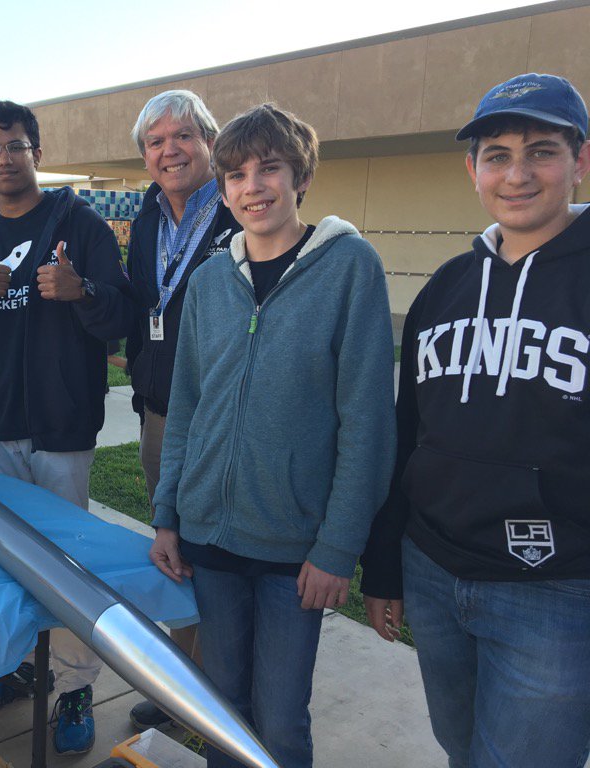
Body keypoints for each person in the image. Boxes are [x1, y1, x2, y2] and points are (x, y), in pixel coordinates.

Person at [150, 104, 395, 768]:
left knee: (282, 723)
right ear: (222, 188)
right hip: (209, 539)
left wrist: (340, 547)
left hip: (295, 550)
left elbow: (368, 422)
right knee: (222, 710)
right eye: (234, 174)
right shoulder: (207, 283)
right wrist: (168, 515)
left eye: (269, 169)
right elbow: (187, 405)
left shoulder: (350, 269)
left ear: (301, 176)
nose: (251, 187)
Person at [361, 73, 590, 768]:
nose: (517, 174)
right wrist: (385, 566)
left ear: (581, 160)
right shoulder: (445, 286)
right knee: (463, 752)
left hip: (556, 587)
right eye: (497, 154)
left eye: (541, 151)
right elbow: (407, 434)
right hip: (433, 571)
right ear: (473, 169)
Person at [0, 100, 134, 756]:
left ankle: (73, 685)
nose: (3, 159)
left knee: (69, 563)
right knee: (5, 558)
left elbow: (121, 317)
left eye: (15, 146)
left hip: (62, 427)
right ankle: (13, 663)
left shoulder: (79, 224)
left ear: (37, 153)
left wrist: (83, 292)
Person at [124, 89, 240, 732]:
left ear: (210, 143)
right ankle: (185, 675)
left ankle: (215, 678)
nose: (170, 150)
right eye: (156, 141)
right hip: (162, 410)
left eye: (184, 136)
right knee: (172, 543)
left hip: (224, 415)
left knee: (219, 545)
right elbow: (147, 307)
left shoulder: (240, 208)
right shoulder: (147, 217)